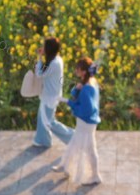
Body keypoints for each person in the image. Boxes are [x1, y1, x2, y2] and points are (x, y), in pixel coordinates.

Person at [52, 56, 102, 186]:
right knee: (75, 143)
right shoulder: (90, 83)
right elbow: (76, 96)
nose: (76, 71)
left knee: (89, 148)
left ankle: (95, 175)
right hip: (86, 122)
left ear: (83, 71)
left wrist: (68, 102)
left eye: (78, 69)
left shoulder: (86, 88)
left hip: (86, 122)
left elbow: (86, 109)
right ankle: (66, 166)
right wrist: (76, 89)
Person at [31, 37, 74, 150]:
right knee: (44, 118)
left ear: (48, 49)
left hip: (50, 97)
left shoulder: (53, 63)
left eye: (44, 46)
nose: (42, 48)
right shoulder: (57, 59)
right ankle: (43, 140)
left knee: (49, 121)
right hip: (51, 95)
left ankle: (72, 136)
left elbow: (40, 74)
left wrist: (40, 57)